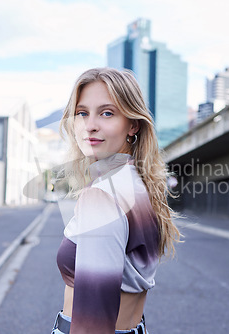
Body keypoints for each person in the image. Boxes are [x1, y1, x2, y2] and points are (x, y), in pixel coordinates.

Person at [52, 67, 181, 334]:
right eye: (82, 113)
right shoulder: (136, 181)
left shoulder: (103, 194)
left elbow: (93, 322)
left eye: (107, 113)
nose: (90, 125)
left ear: (133, 124)